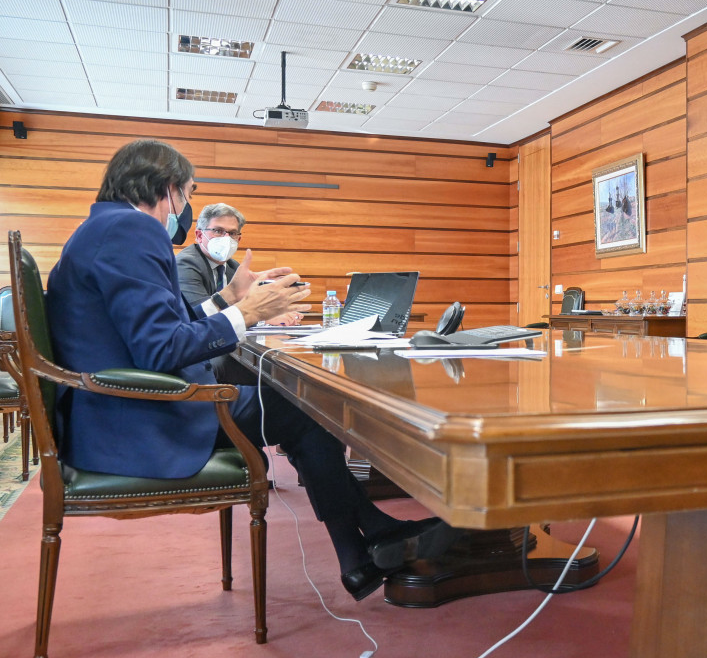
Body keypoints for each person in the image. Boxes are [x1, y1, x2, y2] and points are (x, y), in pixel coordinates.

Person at [45, 139, 455, 601]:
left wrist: (229, 300)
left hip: (112, 414)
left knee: (297, 407)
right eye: (188, 194)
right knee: (308, 407)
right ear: (168, 188)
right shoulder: (132, 231)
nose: (185, 208)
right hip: (142, 420)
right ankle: (365, 543)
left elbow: (160, 328)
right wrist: (249, 314)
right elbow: (162, 349)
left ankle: (363, 549)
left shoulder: (101, 229)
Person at [177, 203, 302, 383]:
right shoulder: (186, 263)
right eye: (218, 231)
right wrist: (262, 316)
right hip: (194, 355)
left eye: (232, 233)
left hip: (218, 345)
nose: (226, 238)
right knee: (274, 379)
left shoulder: (233, 267)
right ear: (199, 235)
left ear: (238, 239)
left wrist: (276, 310)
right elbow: (201, 313)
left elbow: (249, 301)